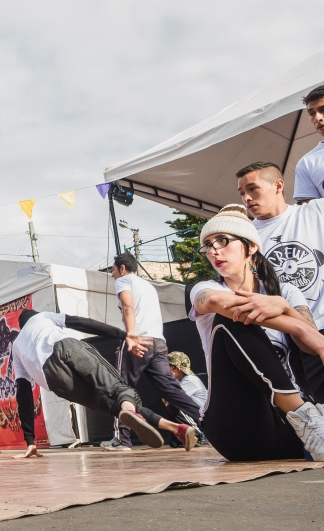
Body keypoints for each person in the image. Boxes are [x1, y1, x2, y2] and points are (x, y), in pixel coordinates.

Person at [189, 204, 324, 461]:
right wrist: (294, 324)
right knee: (230, 318)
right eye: (207, 245)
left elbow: (310, 343)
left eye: (223, 240)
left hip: (287, 430)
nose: (213, 250)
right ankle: (306, 417)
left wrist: (284, 306)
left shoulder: (285, 292)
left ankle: (309, 426)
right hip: (236, 428)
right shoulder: (204, 288)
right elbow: (220, 304)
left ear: (251, 247)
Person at [12, 310, 197, 459]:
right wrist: (123, 334)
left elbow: (24, 395)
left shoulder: (17, 347)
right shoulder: (42, 316)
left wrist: (30, 441)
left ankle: (176, 428)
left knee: (116, 407)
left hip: (53, 379)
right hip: (66, 347)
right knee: (121, 391)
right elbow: (81, 322)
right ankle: (139, 414)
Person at [237, 161, 324, 402]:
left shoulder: (316, 212)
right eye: (242, 193)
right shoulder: (246, 237)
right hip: (291, 335)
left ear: (278, 185)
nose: (247, 198)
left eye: (253, 189)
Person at [100, 253, 201, 451]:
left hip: (139, 340)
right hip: (159, 342)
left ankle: (122, 440)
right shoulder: (148, 285)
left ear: (121, 268)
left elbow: (128, 307)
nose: (111, 274)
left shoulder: (123, 281)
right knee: (171, 390)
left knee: (121, 390)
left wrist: (130, 336)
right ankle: (208, 423)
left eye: (112, 270)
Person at [290, 86, 324, 202]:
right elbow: (310, 215)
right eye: (312, 113)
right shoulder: (306, 163)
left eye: (323, 110)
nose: (318, 118)